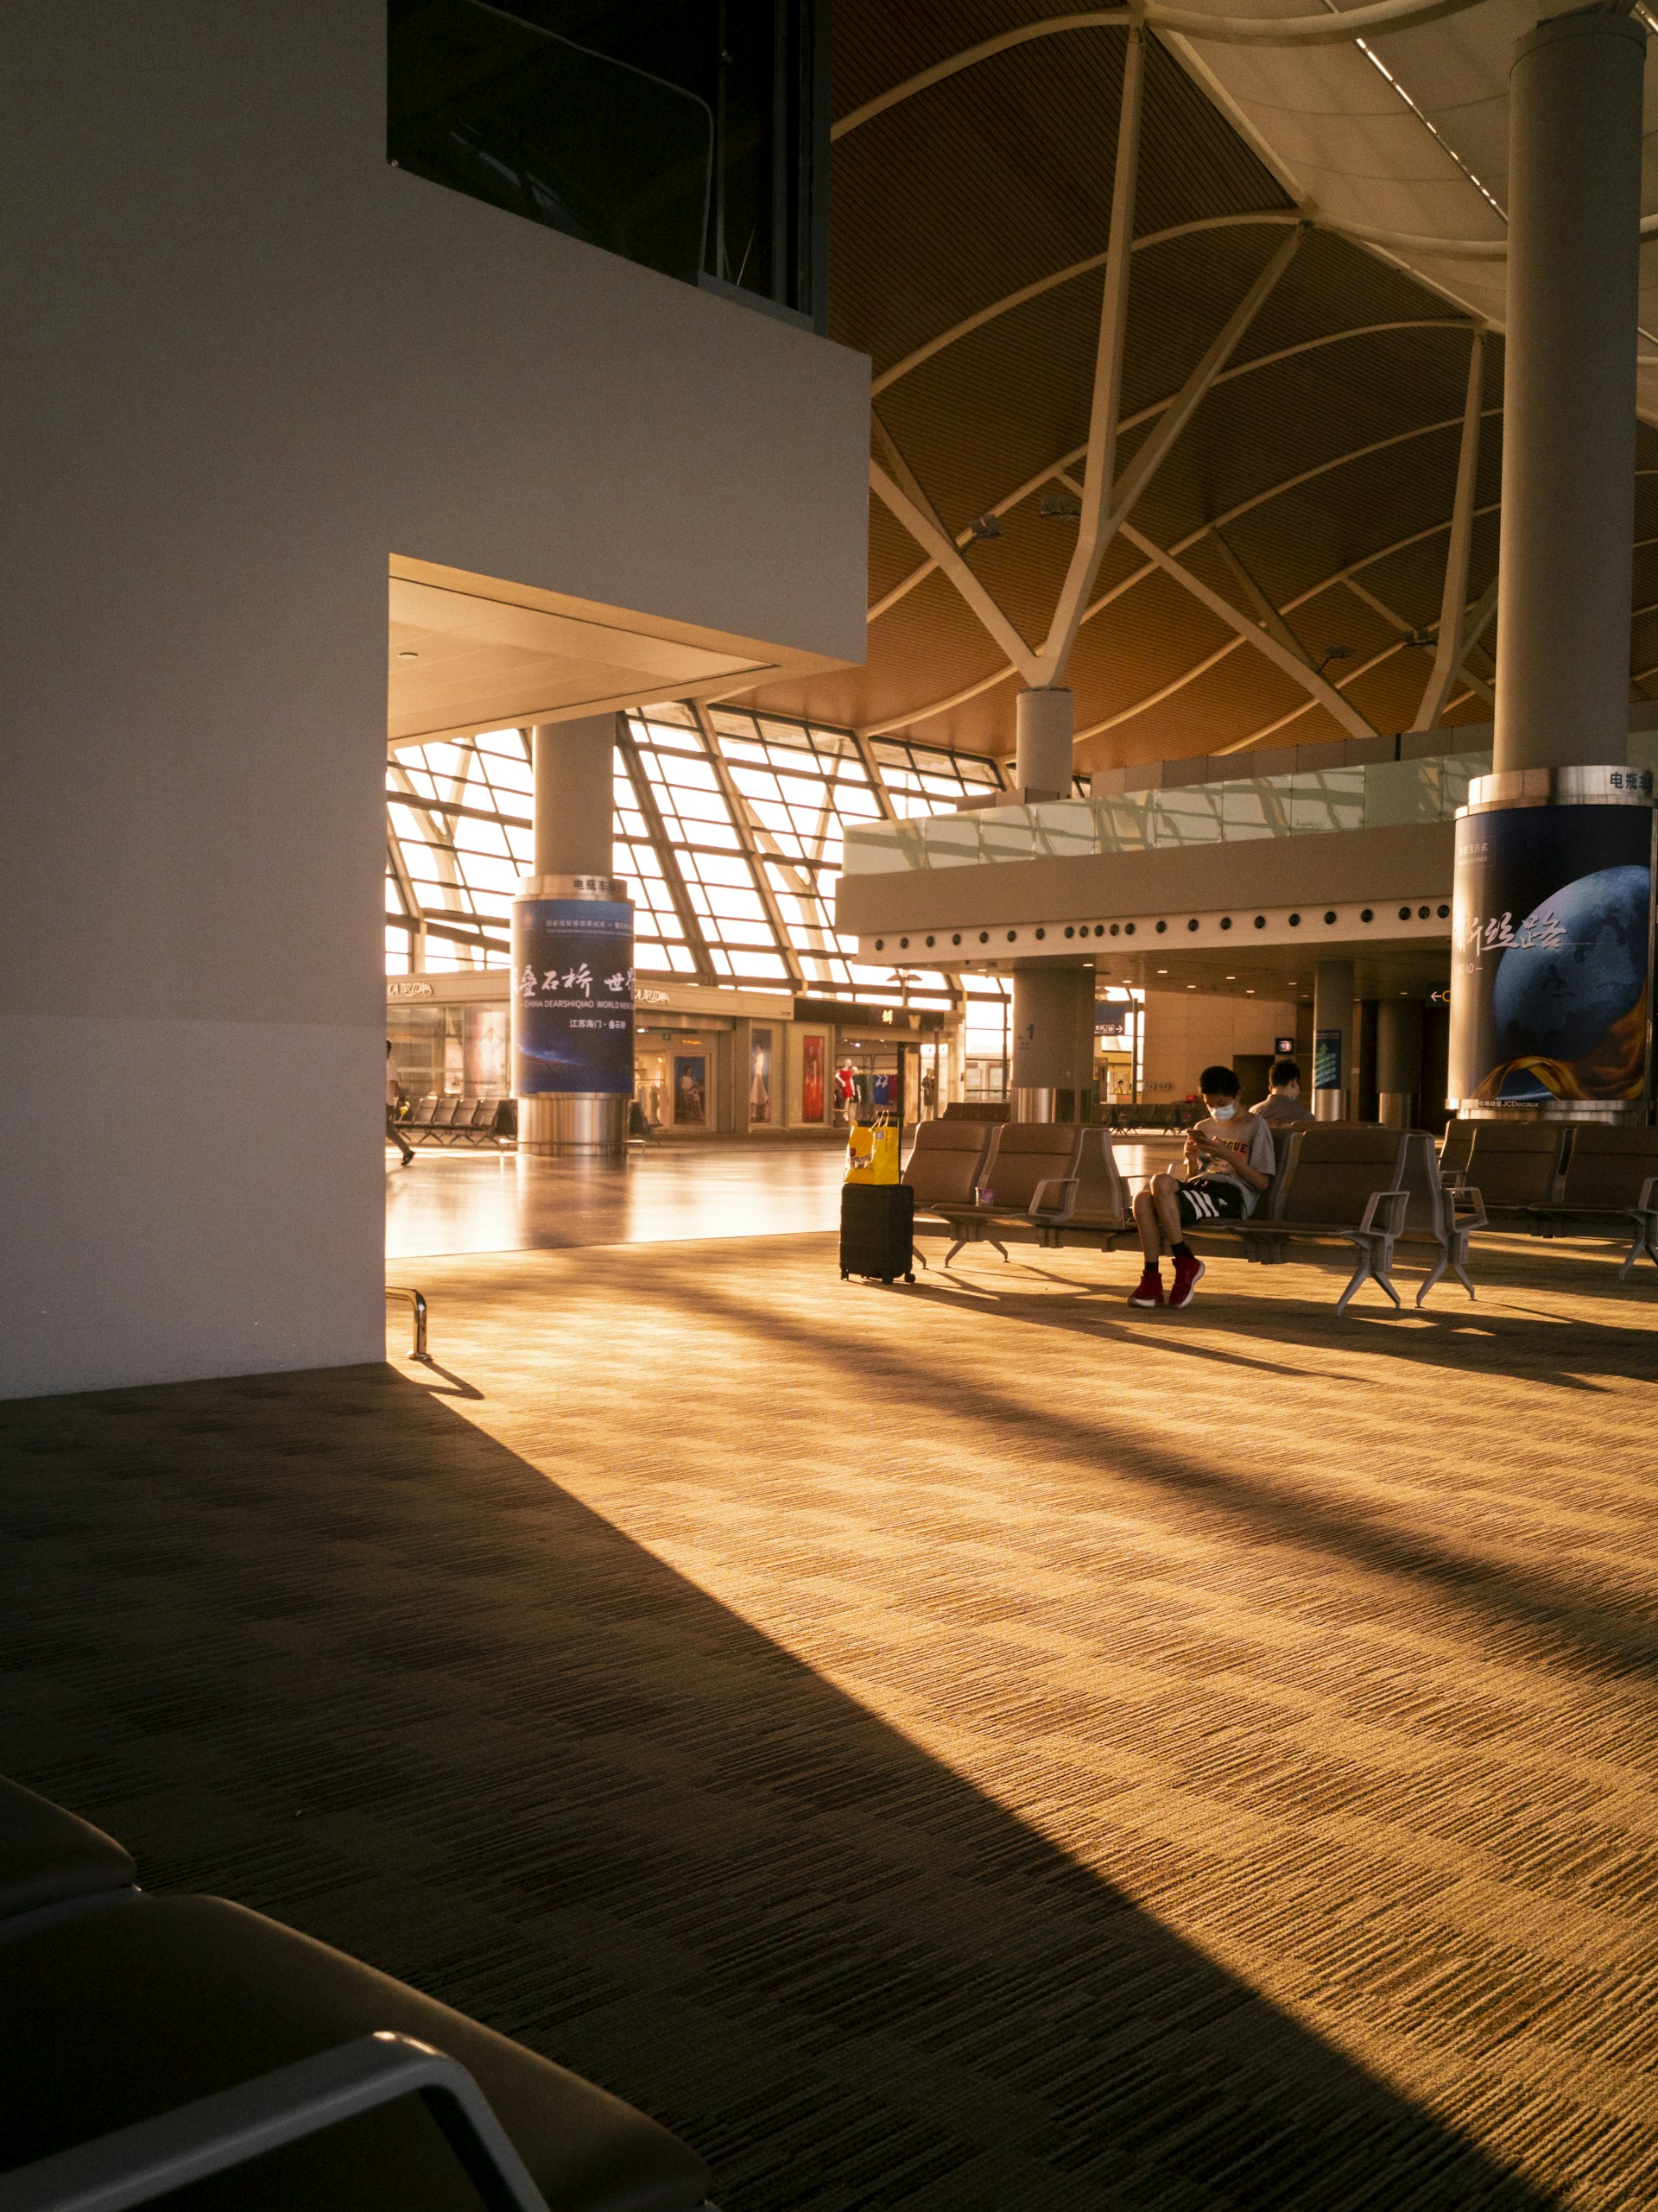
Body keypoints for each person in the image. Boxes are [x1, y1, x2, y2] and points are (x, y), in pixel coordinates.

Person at [1129, 1065, 1275, 1309]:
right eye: (1210, 1105)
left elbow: (1261, 1183)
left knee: (1159, 1181)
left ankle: (1185, 1261)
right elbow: (1192, 1178)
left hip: (1231, 1195)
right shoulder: (1203, 1128)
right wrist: (1194, 1160)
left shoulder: (1255, 1126)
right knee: (1142, 1200)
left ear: (1238, 1096)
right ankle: (1152, 1278)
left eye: (1222, 1103)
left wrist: (1228, 1156)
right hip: (1201, 1189)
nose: (1217, 1110)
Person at [1252, 1057, 1314, 1130]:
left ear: (1270, 1088)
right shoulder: (1305, 1117)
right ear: (1293, 1083)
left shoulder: (1253, 1113)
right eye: (1299, 1086)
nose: (1299, 1091)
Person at [385, 1041, 414, 1166]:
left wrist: (402, 1098)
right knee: (388, 1131)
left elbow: (395, 1084)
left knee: (387, 1130)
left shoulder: (390, 1064)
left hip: (386, 1103)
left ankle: (407, 1151)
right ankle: (407, 1151)